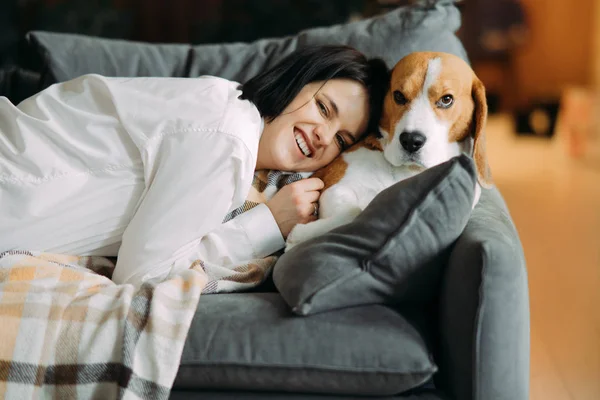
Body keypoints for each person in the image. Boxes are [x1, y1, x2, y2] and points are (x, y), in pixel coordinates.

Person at [0, 45, 389, 286]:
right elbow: (144, 275)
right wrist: (266, 225)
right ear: (295, 80)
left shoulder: (228, 117)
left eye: (341, 140)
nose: (324, 135)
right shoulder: (228, 132)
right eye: (323, 108)